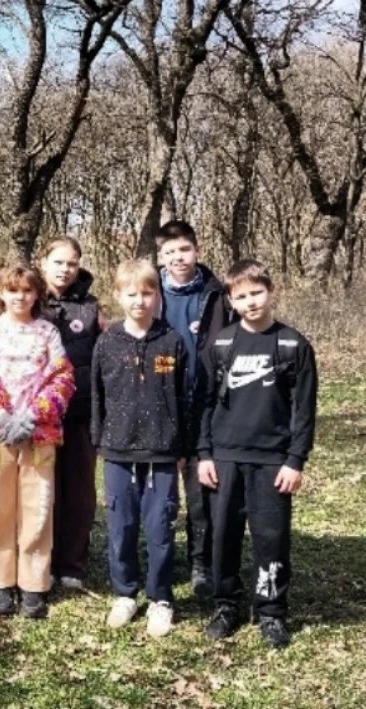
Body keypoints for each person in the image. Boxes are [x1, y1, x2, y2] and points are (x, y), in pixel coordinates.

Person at [197, 260, 317, 649]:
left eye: (256, 292)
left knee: (271, 538)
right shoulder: (220, 344)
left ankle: (270, 612)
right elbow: (203, 404)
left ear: (271, 291)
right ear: (230, 300)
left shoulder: (293, 345)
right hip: (225, 458)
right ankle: (226, 604)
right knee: (223, 536)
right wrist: (204, 454)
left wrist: (295, 460)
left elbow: (304, 410)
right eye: (241, 296)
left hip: (272, 462)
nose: (250, 302)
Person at [0, 265, 74, 620]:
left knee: (36, 507)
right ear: (1, 294)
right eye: (13, 290)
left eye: (27, 291)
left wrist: (32, 417)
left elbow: (62, 380)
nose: (20, 297)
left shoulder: (48, 333)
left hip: (37, 433)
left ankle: (33, 584)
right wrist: (2, 418)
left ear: (37, 294)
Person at [91, 259, 188, 638]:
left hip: (162, 451)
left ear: (157, 296)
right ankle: (125, 593)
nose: (140, 301)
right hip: (118, 450)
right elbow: (97, 396)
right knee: (121, 526)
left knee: (160, 526)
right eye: (131, 294)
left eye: (148, 293)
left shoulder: (172, 341)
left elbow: (185, 396)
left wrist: (182, 444)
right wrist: (100, 440)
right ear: (118, 295)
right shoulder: (108, 342)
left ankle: (161, 598)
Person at [156, 220, 233, 596]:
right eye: (169, 252)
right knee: (161, 492)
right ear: (161, 256)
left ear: (197, 250)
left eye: (184, 250)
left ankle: (201, 563)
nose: (177, 258)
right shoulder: (149, 289)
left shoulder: (218, 294)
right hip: (161, 402)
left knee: (201, 491)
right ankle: (160, 559)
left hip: (206, 404)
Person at [39, 237, 104, 589]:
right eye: (59, 262)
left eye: (72, 263)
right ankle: (42, 560)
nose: (65, 270)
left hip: (79, 413)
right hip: (39, 415)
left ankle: (72, 565)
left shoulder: (91, 308)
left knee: (78, 493)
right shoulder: (31, 299)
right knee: (43, 492)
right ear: (44, 262)